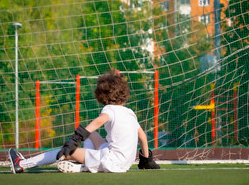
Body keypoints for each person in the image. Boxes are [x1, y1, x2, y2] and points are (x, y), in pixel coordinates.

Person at [8, 70, 160, 173]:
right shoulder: (129, 112)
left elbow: (99, 121)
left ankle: (21, 164)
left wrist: (75, 139)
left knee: (66, 152)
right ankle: (85, 164)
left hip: (111, 161)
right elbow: (143, 137)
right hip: (125, 163)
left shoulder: (110, 109)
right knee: (91, 134)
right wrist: (146, 160)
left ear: (101, 95)